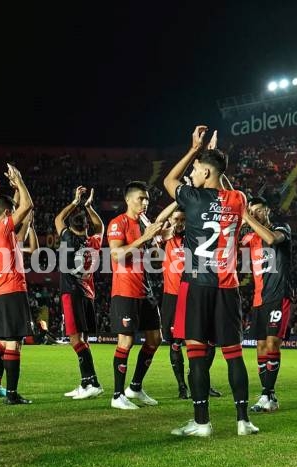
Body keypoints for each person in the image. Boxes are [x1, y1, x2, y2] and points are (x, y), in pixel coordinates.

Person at [164, 125, 257, 437]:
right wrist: (212, 158)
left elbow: (168, 180)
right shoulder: (238, 199)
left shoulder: (191, 198)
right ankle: (243, 420)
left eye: (197, 170)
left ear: (204, 172)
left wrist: (194, 150)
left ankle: (201, 422)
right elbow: (225, 188)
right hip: (228, 288)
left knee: (197, 354)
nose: (193, 173)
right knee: (234, 355)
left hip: (196, 284)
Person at [107, 183, 173, 410]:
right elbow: (117, 255)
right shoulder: (118, 223)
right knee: (125, 341)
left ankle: (134, 387)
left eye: (147, 199)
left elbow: (157, 246)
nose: (145, 203)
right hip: (125, 290)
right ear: (128, 199)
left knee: (155, 339)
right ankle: (117, 395)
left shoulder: (144, 222)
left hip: (145, 290)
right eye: (141, 199)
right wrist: (145, 238)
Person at [0, 165, 35, 405]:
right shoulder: (3, 229)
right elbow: (27, 206)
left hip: (1, 290)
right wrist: (21, 181)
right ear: (6, 215)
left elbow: (15, 208)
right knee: (13, 342)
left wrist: (14, 190)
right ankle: (12, 394)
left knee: (6, 342)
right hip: (12, 289)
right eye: (11, 213)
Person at [161, 206, 223, 400]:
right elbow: (158, 226)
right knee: (175, 343)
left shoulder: (195, 237)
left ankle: (200, 380)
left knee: (209, 341)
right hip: (173, 297)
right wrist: (177, 201)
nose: (179, 223)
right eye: (176, 219)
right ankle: (182, 387)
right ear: (170, 220)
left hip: (196, 294)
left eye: (183, 220)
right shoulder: (166, 238)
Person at [240, 197, 292, 412]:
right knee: (260, 347)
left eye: (259, 210)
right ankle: (268, 396)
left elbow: (271, 239)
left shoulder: (282, 229)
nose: (256, 214)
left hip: (279, 295)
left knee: (272, 344)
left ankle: (267, 395)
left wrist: (245, 216)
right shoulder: (251, 237)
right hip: (259, 299)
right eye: (252, 211)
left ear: (268, 210)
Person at [55, 186, 105, 400]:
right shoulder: (94, 242)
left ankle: (92, 381)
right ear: (86, 227)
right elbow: (101, 226)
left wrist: (75, 201)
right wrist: (89, 206)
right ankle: (86, 383)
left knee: (75, 340)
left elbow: (58, 219)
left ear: (71, 226)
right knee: (83, 339)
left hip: (71, 293)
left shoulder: (66, 238)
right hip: (88, 294)